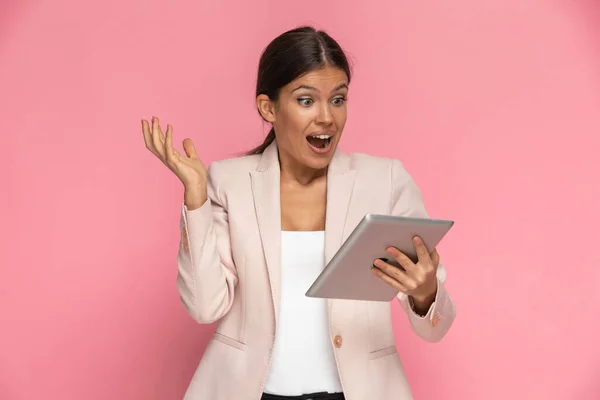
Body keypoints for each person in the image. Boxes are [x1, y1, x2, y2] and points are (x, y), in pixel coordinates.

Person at [142, 26, 456, 400]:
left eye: (338, 100)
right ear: (268, 107)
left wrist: (425, 292)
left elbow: (435, 327)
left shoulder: (385, 182)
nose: (326, 117)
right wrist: (196, 198)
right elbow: (205, 306)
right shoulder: (229, 182)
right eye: (306, 101)